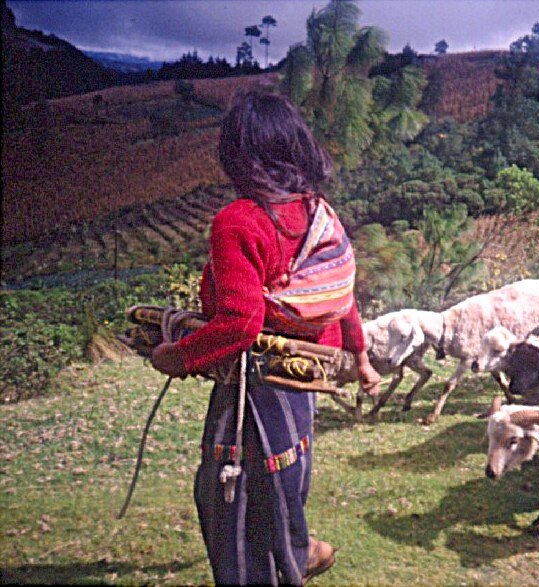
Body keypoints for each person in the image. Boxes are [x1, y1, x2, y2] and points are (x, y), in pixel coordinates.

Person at [151, 87, 381, 585]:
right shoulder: (319, 214)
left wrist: (177, 356)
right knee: (284, 482)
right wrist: (360, 355)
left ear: (238, 155)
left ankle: (279, 567)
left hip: (253, 387)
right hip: (302, 381)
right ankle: (298, 554)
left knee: (230, 501)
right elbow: (340, 292)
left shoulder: (239, 221)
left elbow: (241, 323)